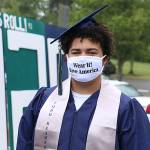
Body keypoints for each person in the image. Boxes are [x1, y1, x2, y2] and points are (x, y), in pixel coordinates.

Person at [16, 5, 150, 150]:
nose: (83, 57)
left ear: (104, 60)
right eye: (76, 52)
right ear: (67, 58)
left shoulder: (125, 109)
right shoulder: (43, 101)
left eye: (91, 52)